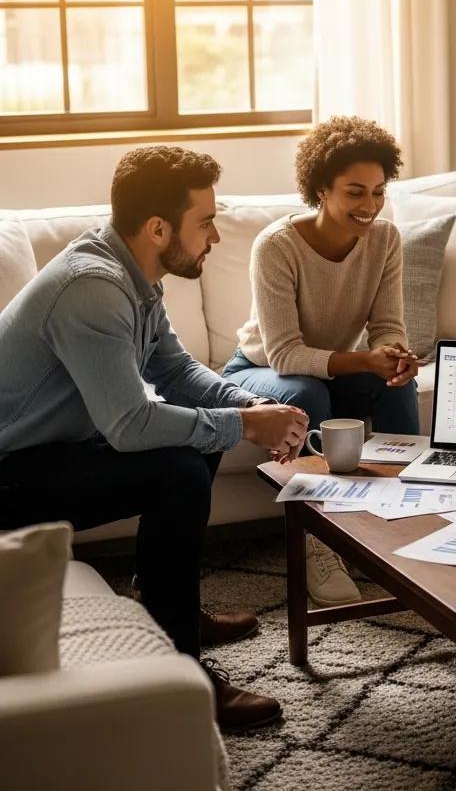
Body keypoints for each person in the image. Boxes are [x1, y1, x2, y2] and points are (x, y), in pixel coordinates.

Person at [0, 146, 308, 732]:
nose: (215, 237)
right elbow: (129, 425)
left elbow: (175, 370)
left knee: (197, 438)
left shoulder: (131, 273)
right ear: (158, 228)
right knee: (180, 471)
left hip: (50, 452)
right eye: (206, 222)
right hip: (10, 474)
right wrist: (245, 426)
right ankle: (183, 673)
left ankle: (165, 603)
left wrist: (251, 406)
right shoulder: (93, 287)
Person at [223, 116, 419, 607]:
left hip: (332, 372)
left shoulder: (386, 239)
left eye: (378, 192)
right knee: (306, 393)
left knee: (397, 383)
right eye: (355, 192)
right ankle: (319, 537)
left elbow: (387, 324)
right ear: (321, 189)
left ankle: (408, 517)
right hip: (261, 371)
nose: (369, 205)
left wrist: (393, 355)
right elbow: (285, 354)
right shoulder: (277, 246)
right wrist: (365, 359)